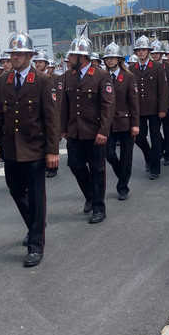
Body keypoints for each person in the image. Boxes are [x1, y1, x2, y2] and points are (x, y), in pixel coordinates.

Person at [0, 31, 59, 267]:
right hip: (11, 147)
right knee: (15, 190)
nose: (15, 57)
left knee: (37, 197)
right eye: (13, 53)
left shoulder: (42, 81)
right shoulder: (3, 81)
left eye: (19, 53)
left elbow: (51, 118)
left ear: (30, 55)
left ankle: (35, 246)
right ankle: (35, 223)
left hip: (35, 148)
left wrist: (52, 151)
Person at [60, 36, 115, 224]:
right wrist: (63, 128)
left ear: (81, 57)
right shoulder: (69, 76)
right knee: (74, 165)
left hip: (94, 130)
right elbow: (65, 104)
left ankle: (99, 207)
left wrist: (103, 131)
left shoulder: (100, 75)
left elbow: (108, 105)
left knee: (97, 169)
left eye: (72, 56)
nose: (69, 59)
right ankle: (90, 195)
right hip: (75, 130)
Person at [102, 43, 140, 201]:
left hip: (125, 121)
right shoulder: (103, 76)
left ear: (119, 59)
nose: (110, 61)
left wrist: (135, 124)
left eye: (112, 58)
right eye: (107, 58)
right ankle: (122, 175)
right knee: (109, 154)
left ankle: (123, 187)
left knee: (126, 156)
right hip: (108, 122)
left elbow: (134, 102)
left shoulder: (128, 77)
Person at [131, 36, 168, 179]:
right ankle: (149, 156)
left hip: (154, 109)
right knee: (139, 137)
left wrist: (162, 109)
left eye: (143, 50)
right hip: (138, 110)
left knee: (155, 138)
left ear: (148, 51)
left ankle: (155, 169)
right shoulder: (131, 68)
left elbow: (163, 90)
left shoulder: (157, 67)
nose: (141, 52)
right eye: (138, 50)